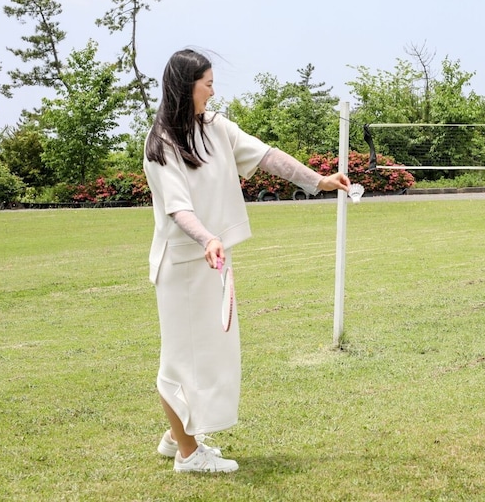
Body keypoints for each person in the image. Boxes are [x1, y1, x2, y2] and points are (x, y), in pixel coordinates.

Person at [142, 49, 351, 473]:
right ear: (187, 88)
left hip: (212, 258)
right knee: (179, 359)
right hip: (182, 264)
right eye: (208, 83)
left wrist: (318, 181)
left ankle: (176, 436)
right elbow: (177, 209)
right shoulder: (161, 143)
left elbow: (266, 156)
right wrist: (206, 238)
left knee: (213, 355)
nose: (214, 90)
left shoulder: (215, 127)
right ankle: (187, 455)